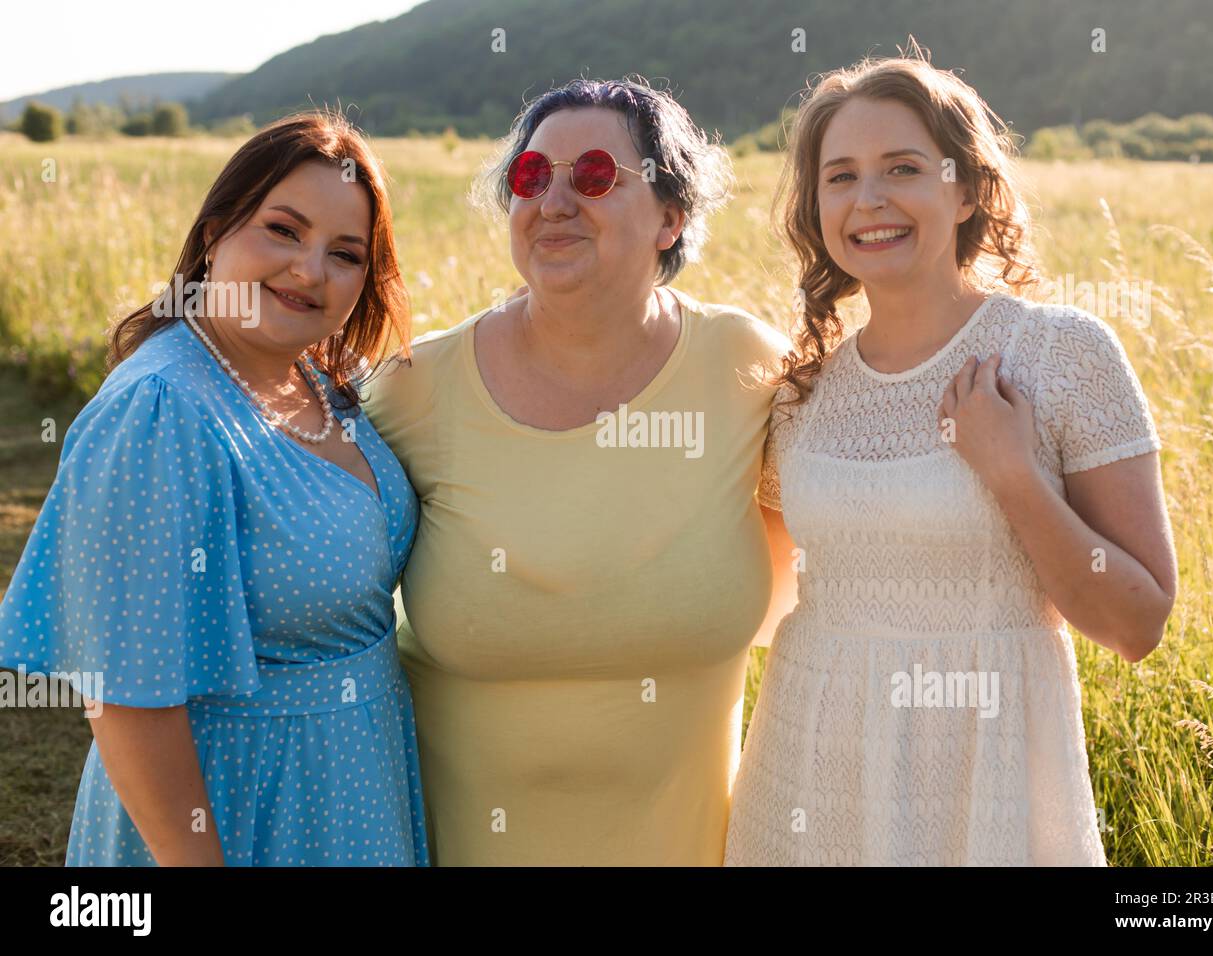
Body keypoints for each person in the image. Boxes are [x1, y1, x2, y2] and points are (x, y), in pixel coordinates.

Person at [724, 44, 1178, 866]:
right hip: (809, 776)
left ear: (964, 188)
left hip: (986, 781)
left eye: (903, 168)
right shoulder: (802, 394)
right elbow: (754, 604)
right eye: (841, 176)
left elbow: (1137, 623)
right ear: (816, 206)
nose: (870, 201)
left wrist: (1011, 475)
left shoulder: (1059, 355)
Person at [365, 77, 794, 865]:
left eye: (595, 175)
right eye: (531, 177)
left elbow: (835, 540)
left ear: (673, 216)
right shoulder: (415, 387)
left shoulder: (746, 367)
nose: (554, 201)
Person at [0, 110, 430, 865]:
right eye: (283, 230)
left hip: (357, 788)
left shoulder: (326, 381)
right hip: (236, 809)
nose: (309, 270)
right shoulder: (161, 409)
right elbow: (129, 699)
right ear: (215, 230)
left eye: (346, 253)